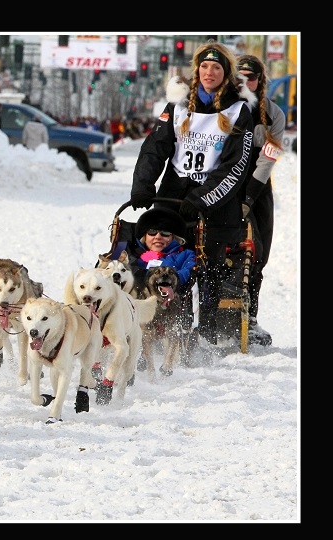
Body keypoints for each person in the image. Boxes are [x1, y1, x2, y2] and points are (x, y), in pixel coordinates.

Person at [128, 41, 255, 346]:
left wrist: (202, 198)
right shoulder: (178, 104)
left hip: (216, 204)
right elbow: (155, 148)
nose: (209, 72)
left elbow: (235, 166)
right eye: (204, 66)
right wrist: (143, 184)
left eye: (216, 67)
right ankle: (164, 329)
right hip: (173, 196)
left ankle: (206, 333)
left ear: (226, 74)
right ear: (197, 70)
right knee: (162, 260)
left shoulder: (239, 110)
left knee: (208, 268)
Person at [235, 55, 285, 347]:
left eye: (251, 77)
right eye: (240, 77)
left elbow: (269, 156)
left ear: (260, 80)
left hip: (259, 184)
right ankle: (208, 317)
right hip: (223, 184)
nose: (246, 82)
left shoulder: (274, 114)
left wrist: (250, 195)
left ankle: (251, 317)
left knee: (259, 252)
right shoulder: (223, 109)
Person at [128, 207, 196, 289]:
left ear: (174, 237)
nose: (158, 237)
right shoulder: (135, 255)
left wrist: (169, 278)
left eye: (165, 233)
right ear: (144, 236)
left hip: (173, 295)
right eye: (152, 232)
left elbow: (188, 271)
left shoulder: (186, 255)